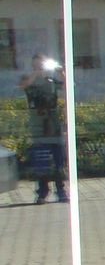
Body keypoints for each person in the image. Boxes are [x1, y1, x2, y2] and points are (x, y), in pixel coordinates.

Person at [20, 54, 67, 204]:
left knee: (59, 162)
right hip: (38, 127)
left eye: (42, 65)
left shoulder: (51, 81)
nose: (40, 68)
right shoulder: (29, 78)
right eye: (37, 65)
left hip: (53, 125)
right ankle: (42, 193)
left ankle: (61, 192)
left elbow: (67, 87)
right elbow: (24, 86)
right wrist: (36, 73)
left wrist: (61, 73)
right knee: (41, 162)